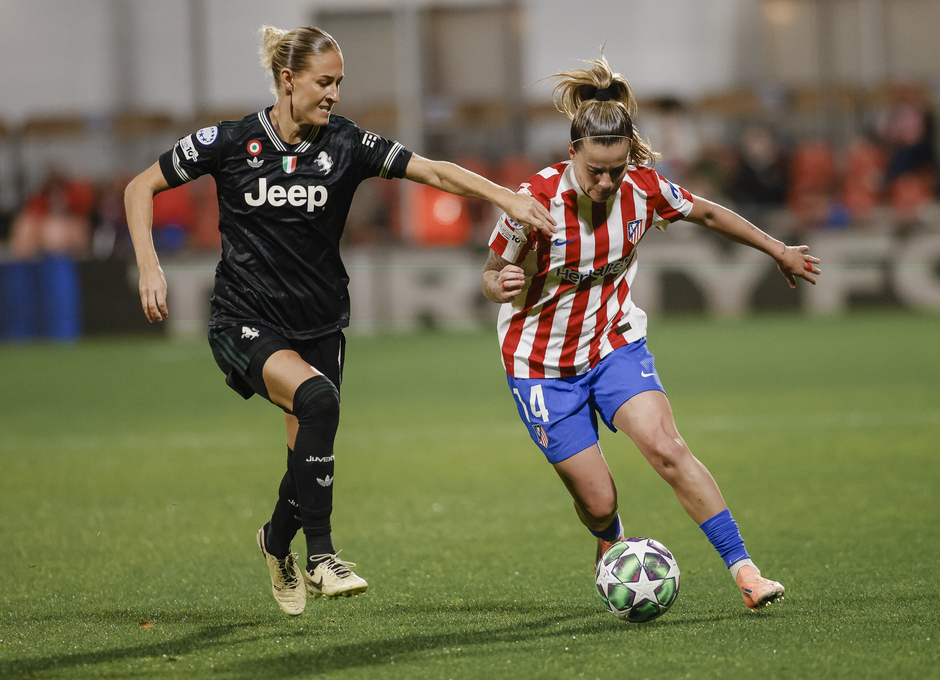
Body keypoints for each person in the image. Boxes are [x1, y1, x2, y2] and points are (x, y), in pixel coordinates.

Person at [124, 25, 555, 617]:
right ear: (287, 80)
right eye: (324, 82)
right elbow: (139, 186)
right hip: (244, 317)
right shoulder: (229, 141)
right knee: (319, 402)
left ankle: (278, 543)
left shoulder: (347, 144)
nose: (334, 95)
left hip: (320, 323)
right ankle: (323, 556)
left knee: (305, 458)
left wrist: (504, 196)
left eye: (339, 84)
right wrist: (150, 265)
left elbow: (433, 171)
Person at [481, 53, 820, 611]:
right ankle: (608, 540)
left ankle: (746, 573)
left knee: (667, 448)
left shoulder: (643, 188)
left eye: (617, 168)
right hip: (538, 363)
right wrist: (503, 282)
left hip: (613, 342)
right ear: (572, 155)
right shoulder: (533, 203)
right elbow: (491, 276)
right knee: (597, 500)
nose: (607, 181)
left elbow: (707, 213)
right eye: (596, 170)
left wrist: (777, 249)